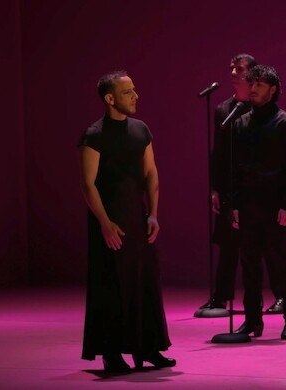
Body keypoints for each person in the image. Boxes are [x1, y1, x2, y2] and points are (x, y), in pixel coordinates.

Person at [78, 71, 174, 373]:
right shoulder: (94, 134)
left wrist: (153, 213)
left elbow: (150, 173)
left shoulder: (141, 129)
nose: (136, 96)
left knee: (144, 282)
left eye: (134, 90)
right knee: (111, 284)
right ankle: (112, 353)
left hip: (137, 215)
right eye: (128, 92)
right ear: (110, 98)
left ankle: (148, 348)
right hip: (110, 218)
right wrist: (105, 223)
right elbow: (87, 184)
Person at [198, 54, 286, 316]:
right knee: (228, 244)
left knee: (268, 245)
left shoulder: (262, 109)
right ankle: (220, 298)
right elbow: (219, 152)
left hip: (257, 188)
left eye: (240, 68)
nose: (234, 72)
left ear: (253, 75)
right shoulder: (224, 110)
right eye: (231, 68)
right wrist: (215, 187)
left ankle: (281, 296)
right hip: (230, 188)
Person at [231, 65, 286, 339]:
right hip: (249, 204)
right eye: (251, 84)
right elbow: (236, 168)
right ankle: (252, 321)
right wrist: (235, 204)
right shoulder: (240, 123)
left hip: (275, 205)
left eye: (258, 85)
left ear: (273, 90)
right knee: (249, 264)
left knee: (283, 263)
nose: (252, 89)